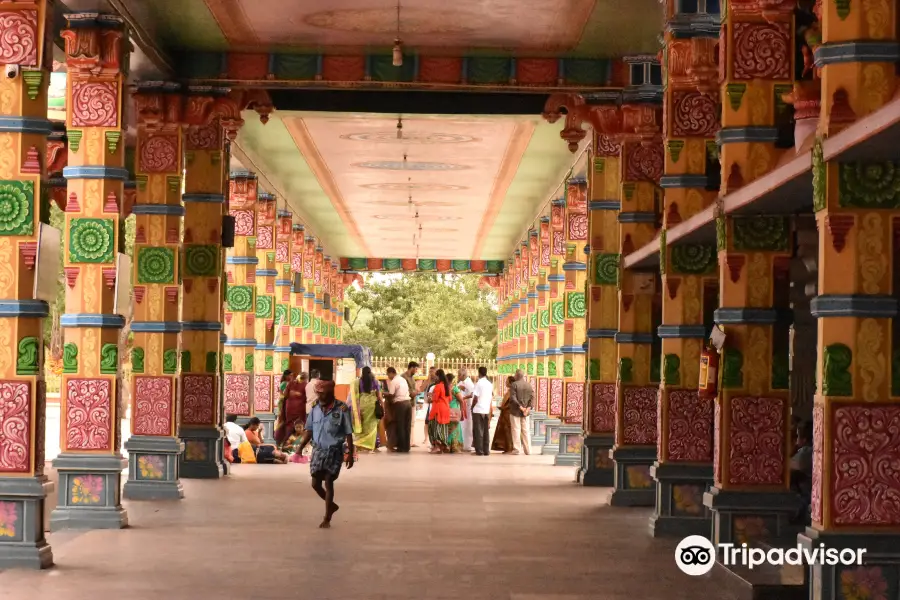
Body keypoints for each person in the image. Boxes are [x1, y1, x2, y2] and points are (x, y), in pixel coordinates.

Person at [295, 380, 355, 529]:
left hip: (334, 451)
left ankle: (327, 517)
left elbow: (348, 433)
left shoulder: (342, 409)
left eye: (323, 393)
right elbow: (309, 430)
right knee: (315, 483)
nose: (320, 396)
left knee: (329, 481)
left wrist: (350, 454)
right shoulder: (315, 408)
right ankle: (332, 506)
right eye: (318, 393)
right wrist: (300, 447)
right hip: (318, 450)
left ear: (330, 393)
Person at [354, 366, 383, 452]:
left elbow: (356, 394)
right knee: (372, 425)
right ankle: (370, 447)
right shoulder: (375, 381)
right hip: (372, 404)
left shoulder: (358, 382)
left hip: (362, 403)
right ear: (370, 372)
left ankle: (359, 445)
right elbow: (379, 395)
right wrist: (382, 404)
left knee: (362, 424)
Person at [275, 371, 308, 445]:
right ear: (306, 378)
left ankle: (285, 444)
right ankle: (298, 445)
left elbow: (285, 395)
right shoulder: (305, 385)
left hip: (289, 408)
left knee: (289, 425)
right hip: (300, 408)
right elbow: (307, 398)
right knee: (300, 425)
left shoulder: (290, 383)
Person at [790, 420, 813, 524]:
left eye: (797, 436)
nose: (795, 441)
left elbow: (787, 468)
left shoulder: (806, 453)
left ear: (804, 439)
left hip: (808, 496)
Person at [386, 366, 413, 452]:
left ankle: (401, 447)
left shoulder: (394, 381)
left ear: (391, 373)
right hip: (408, 404)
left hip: (400, 404)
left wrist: (386, 396)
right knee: (407, 426)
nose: (388, 377)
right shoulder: (403, 379)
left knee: (400, 426)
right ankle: (407, 447)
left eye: (388, 374)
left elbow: (391, 395)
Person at [508, 369, 534, 455]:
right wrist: (528, 408)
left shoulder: (514, 384)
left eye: (515, 375)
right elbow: (532, 398)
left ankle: (517, 449)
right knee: (526, 430)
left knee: (516, 429)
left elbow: (513, 398)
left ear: (517, 375)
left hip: (516, 411)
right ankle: (528, 450)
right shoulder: (528, 385)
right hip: (526, 412)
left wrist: (520, 407)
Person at [427, 369, 452, 454]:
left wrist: (431, 396)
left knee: (434, 428)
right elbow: (450, 399)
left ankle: (436, 447)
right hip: (445, 409)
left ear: (438, 376)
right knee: (443, 428)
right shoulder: (447, 386)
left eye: (436, 376)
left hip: (437, 409)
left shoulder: (438, 386)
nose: (435, 377)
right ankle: (444, 446)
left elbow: (435, 398)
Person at [471, 366, 494, 456]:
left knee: (478, 431)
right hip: (486, 410)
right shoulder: (490, 384)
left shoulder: (479, 383)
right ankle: (486, 450)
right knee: (485, 431)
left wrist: (472, 407)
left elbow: (475, 397)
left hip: (478, 409)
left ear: (479, 373)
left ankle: (479, 451)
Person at [491, 376, 516, 453]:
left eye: (507, 381)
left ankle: (509, 448)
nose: (506, 383)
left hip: (508, 413)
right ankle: (506, 447)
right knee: (504, 430)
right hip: (504, 413)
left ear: (510, 383)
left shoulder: (512, 392)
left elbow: (512, 403)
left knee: (507, 430)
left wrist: (504, 408)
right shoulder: (509, 391)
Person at [446, 373, 467, 453]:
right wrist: (461, 412)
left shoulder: (445, 388)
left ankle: (448, 446)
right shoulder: (455, 389)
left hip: (447, 410)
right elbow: (461, 401)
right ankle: (455, 447)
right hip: (455, 412)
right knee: (455, 428)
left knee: (448, 428)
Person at [401, 362, 419, 448]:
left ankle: (411, 442)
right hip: (405, 403)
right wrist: (415, 392)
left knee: (412, 423)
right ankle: (405, 442)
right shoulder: (403, 377)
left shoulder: (412, 377)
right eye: (415, 369)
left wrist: (416, 392)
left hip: (412, 403)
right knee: (405, 423)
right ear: (411, 368)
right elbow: (407, 391)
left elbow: (414, 390)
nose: (416, 371)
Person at [457, 368, 475, 452]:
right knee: (462, 426)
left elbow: (472, 394)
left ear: (463, 375)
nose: (458, 376)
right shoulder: (460, 382)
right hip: (461, 406)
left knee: (468, 426)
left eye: (459, 375)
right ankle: (462, 443)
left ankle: (468, 445)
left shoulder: (469, 383)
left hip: (468, 407)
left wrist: (463, 398)